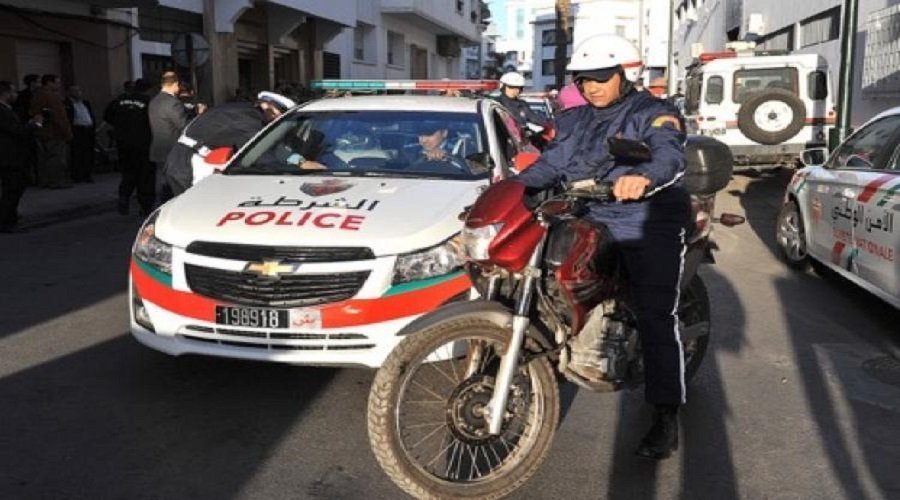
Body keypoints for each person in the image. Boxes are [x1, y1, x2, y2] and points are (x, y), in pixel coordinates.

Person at [514, 34, 691, 461]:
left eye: (600, 78)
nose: (591, 87)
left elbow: (668, 156)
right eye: (584, 79)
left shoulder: (654, 113)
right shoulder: (576, 119)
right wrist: (510, 190)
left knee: (655, 314)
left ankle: (665, 413)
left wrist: (643, 177)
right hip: (588, 214)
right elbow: (550, 165)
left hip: (645, 220)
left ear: (623, 75)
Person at [162, 91, 295, 195]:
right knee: (194, 211)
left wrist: (295, 158)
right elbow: (261, 152)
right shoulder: (247, 120)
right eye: (279, 116)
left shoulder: (243, 110)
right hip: (188, 164)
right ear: (270, 108)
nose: (276, 121)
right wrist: (293, 168)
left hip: (185, 159)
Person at [105, 78, 155, 216]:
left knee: (128, 172)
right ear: (149, 89)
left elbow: (107, 116)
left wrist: (121, 126)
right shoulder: (148, 102)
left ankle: (124, 196)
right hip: (143, 143)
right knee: (145, 175)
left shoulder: (120, 100)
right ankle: (145, 206)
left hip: (123, 143)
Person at [0, 81, 43, 233]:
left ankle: (10, 217)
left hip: (12, 155)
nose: (16, 95)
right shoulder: (2, 111)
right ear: (5, 93)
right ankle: (6, 221)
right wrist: (35, 125)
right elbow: (16, 131)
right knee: (12, 188)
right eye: (13, 92)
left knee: (15, 187)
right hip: (9, 156)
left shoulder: (7, 110)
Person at [149, 71, 189, 204]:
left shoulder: (154, 101)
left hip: (158, 150)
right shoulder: (172, 102)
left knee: (164, 182)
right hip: (172, 150)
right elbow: (184, 125)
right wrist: (198, 115)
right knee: (175, 186)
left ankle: (163, 205)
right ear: (175, 84)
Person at [29, 74, 72, 189]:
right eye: (57, 82)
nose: (58, 85)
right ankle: (55, 181)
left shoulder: (37, 95)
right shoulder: (51, 96)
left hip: (42, 132)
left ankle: (45, 180)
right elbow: (59, 116)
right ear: (49, 82)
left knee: (44, 158)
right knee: (56, 158)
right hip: (54, 132)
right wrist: (67, 132)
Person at [64, 84, 97, 183]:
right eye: (75, 91)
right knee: (77, 153)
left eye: (79, 90)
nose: (78, 93)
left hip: (88, 129)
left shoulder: (85, 103)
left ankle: (88, 174)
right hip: (77, 130)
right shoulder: (67, 104)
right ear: (69, 92)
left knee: (88, 152)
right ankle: (78, 175)